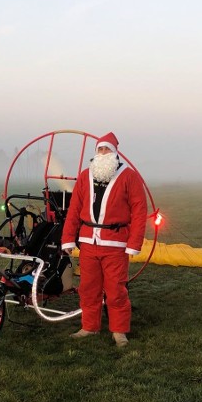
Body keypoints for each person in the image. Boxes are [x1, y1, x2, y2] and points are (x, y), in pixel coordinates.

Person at [61, 132, 147, 347]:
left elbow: (139, 210)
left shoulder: (129, 176)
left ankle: (119, 331)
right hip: (89, 243)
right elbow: (74, 210)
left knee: (116, 290)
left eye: (107, 149)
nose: (103, 152)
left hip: (115, 243)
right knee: (88, 288)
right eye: (100, 149)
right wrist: (68, 239)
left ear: (115, 152)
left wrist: (134, 243)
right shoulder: (84, 176)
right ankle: (89, 326)